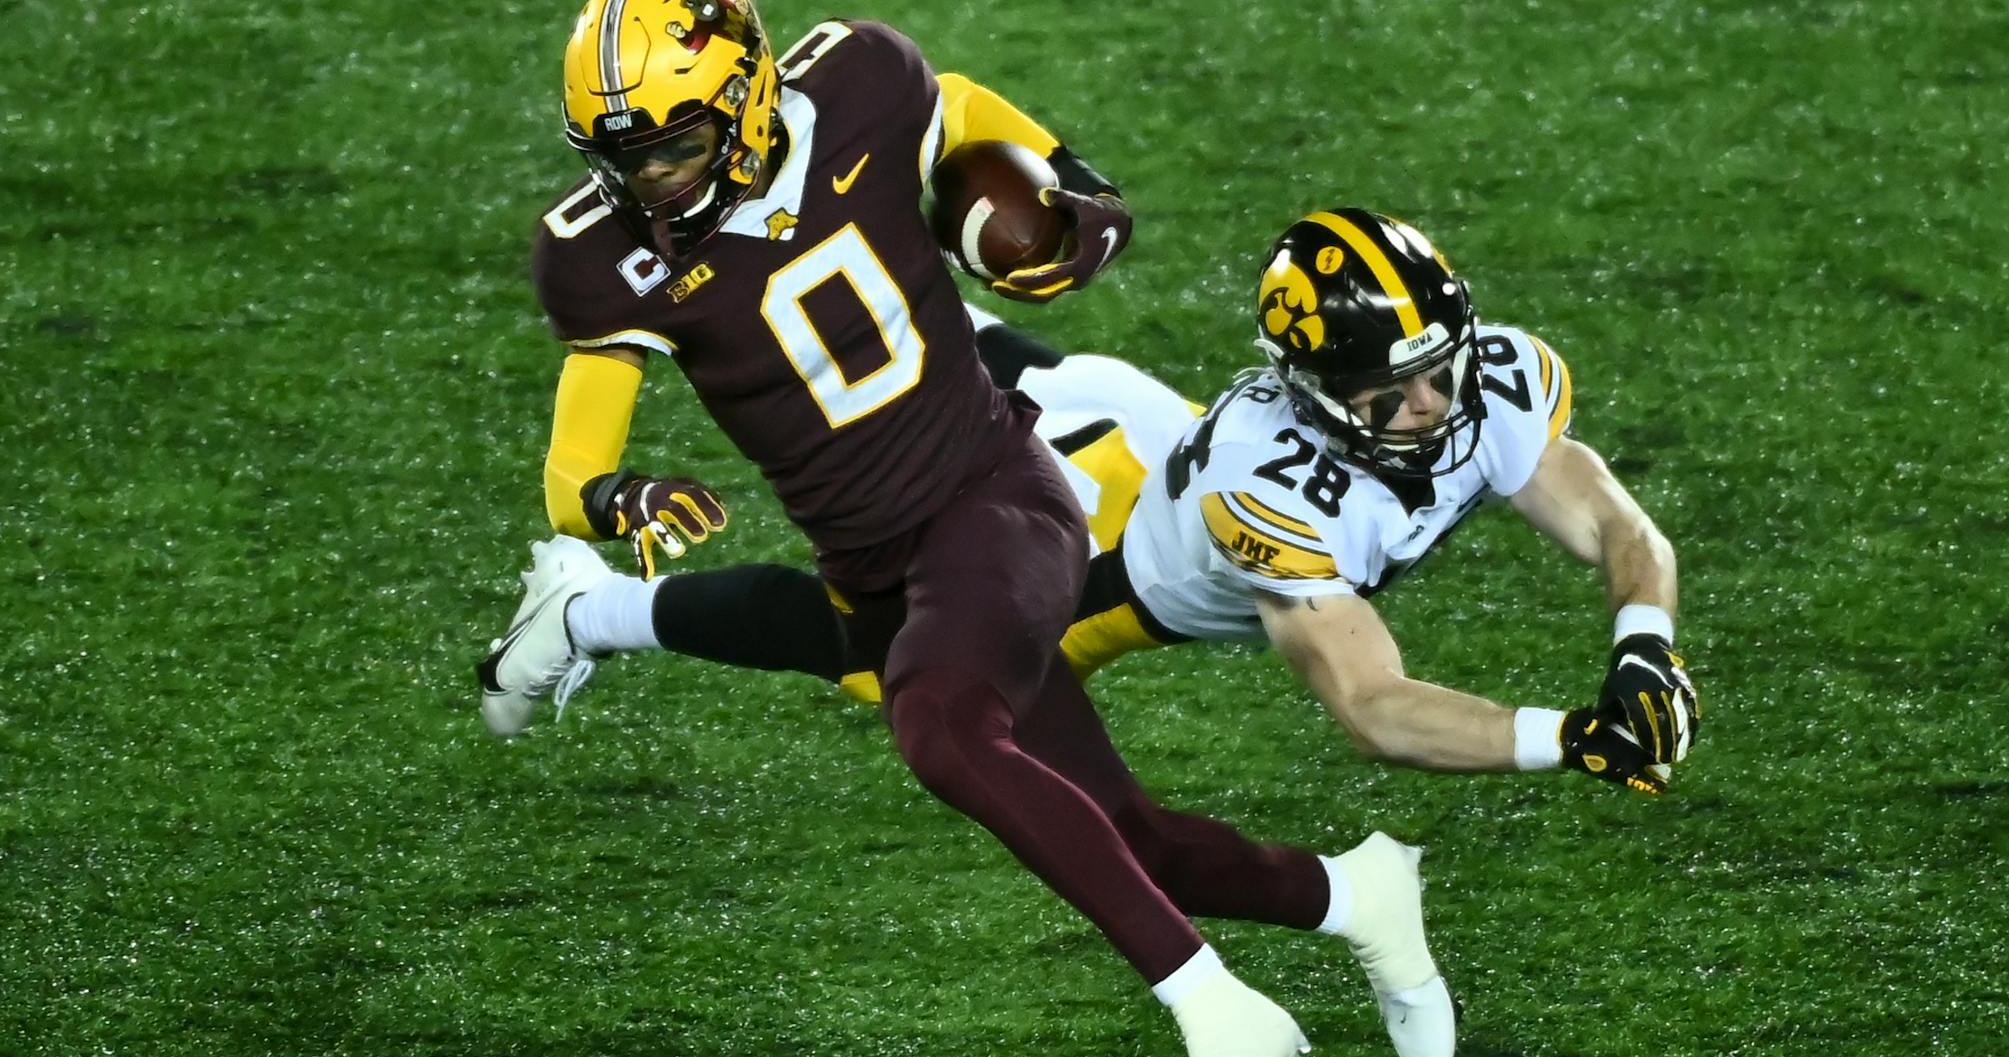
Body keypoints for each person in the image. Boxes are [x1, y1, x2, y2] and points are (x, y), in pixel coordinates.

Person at [476, 0, 1458, 1057]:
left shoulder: (862, 84)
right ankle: (1359, 895)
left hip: (998, 498)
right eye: (618, 160)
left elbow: (965, 109)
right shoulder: (597, 253)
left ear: (741, 99)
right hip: (875, 561)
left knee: (939, 725)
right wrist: (619, 493)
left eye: (668, 151)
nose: (643, 182)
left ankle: (1218, 1012)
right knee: (1120, 837)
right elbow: (572, 473)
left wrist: (1068, 179)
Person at [540, 207, 1702, 794]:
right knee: (873, 657)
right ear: (1315, 388)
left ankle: (860, 292)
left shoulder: (1481, 379)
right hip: (1100, 553)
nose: (1435, 403)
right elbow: (1376, 703)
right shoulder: (1276, 495)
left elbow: (1615, 524)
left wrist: (1642, 649)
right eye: (1393, 390)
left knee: (968, 360)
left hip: (1129, 423)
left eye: (1442, 367)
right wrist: (1570, 739)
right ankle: (590, 606)